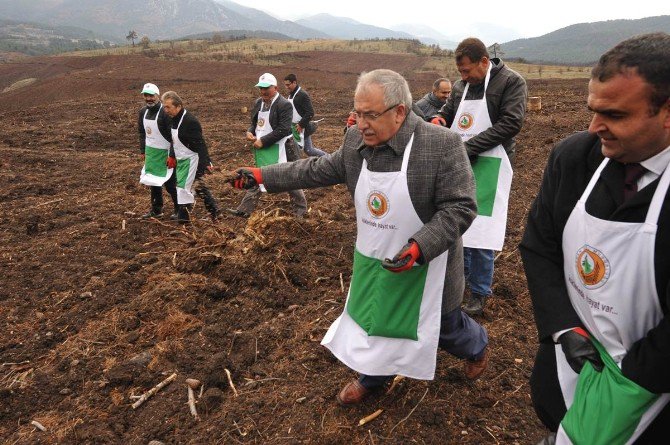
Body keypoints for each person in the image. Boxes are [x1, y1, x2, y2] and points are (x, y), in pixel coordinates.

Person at [229, 69, 489, 405]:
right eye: (357, 112)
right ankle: (373, 377)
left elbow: (461, 207)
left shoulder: (440, 145)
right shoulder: (356, 141)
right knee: (374, 317)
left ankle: (477, 345)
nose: (361, 122)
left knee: (444, 323)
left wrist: (421, 246)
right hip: (375, 256)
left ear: (399, 111)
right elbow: (315, 169)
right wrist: (262, 175)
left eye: (370, 114)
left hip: (429, 264)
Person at [520, 33, 670, 445]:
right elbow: (539, 246)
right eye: (593, 111)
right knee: (562, 422)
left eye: (615, 115)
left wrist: (623, 381)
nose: (593, 127)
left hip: (650, 389)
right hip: (571, 358)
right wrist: (562, 327)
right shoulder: (575, 158)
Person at [434, 37, 527, 316]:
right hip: (459, 164)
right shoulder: (462, 86)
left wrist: (467, 148)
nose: (462, 77)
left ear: (484, 62)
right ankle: (458, 282)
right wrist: (438, 121)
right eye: (460, 72)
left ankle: (479, 291)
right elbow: (447, 113)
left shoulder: (511, 82)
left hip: (492, 164)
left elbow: (511, 123)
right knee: (457, 222)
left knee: (482, 228)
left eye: (467, 71)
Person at [226, 73, 307, 218]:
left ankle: (300, 211)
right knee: (257, 175)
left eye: (266, 88)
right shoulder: (259, 102)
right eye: (261, 88)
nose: (263, 92)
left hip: (285, 147)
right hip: (266, 148)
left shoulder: (284, 105)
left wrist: (263, 141)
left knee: (290, 177)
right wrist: (250, 132)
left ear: (275, 88)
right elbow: (254, 122)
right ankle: (245, 209)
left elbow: (284, 129)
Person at [161, 91, 219, 223]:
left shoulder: (190, 122)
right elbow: (174, 140)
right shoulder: (173, 119)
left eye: (168, 107)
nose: (165, 110)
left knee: (182, 189)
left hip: (192, 160)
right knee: (198, 186)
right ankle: (215, 212)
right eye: (164, 107)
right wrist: (172, 155)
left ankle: (183, 220)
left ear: (178, 106)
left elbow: (201, 145)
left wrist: (204, 165)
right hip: (181, 160)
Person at [138, 82, 178, 219]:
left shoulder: (165, 113)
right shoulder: (143, 112)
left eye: (151, 96)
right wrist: (143, 151)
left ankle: (180, 210)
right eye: (146, 95)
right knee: (153, 182)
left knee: (171, 184)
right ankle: (156, 209)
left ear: (157, 96)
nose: (149, 98)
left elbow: (174, 136)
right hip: (151, 154)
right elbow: (142, 133)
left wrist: (172, 155)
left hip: (166, 154)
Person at [284, 73, 326, 157]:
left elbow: (310, 112)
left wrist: (301, 125)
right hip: (293, 127)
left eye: (288, 85)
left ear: (294, 82)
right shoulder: (291, 94)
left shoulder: (302, 95)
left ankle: (328, 158)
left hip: (302, 128)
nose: (286, 87)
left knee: (309, 150)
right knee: (297, 149)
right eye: (285, 85)